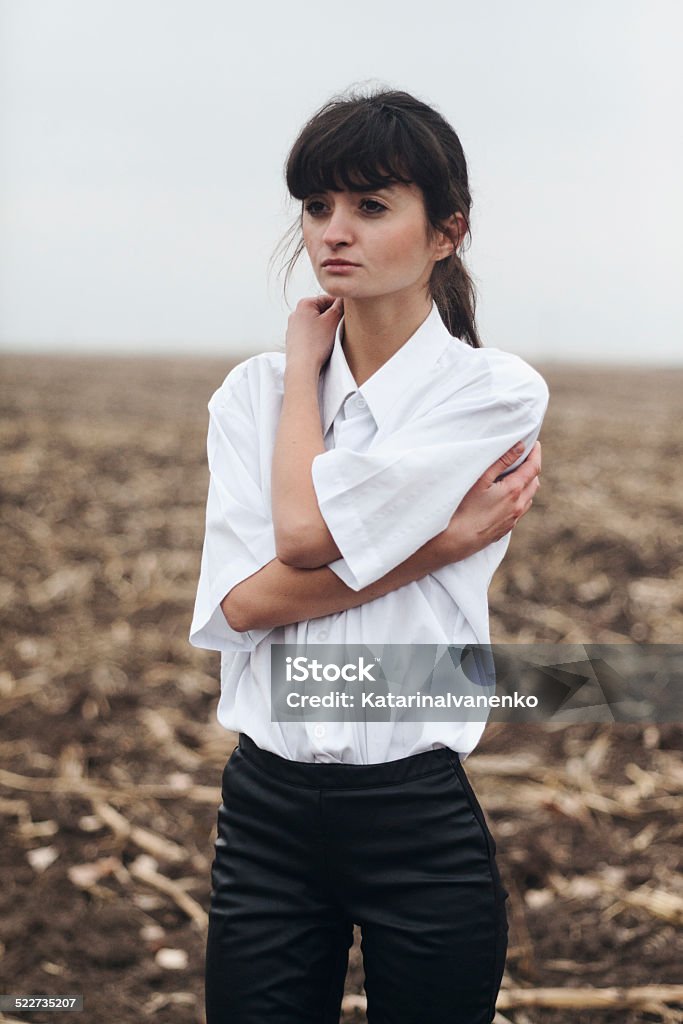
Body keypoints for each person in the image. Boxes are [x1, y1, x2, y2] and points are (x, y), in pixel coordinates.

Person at [189, 86, 549, 1024]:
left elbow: (301, 542)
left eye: (371, 205)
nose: (332, 232)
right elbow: (243, 607)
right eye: (317, 206)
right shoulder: (250, 394)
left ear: (445, 233)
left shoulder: (493, 393)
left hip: (415, 821)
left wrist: (300, 385)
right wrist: (442, 544)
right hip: (263, 813)